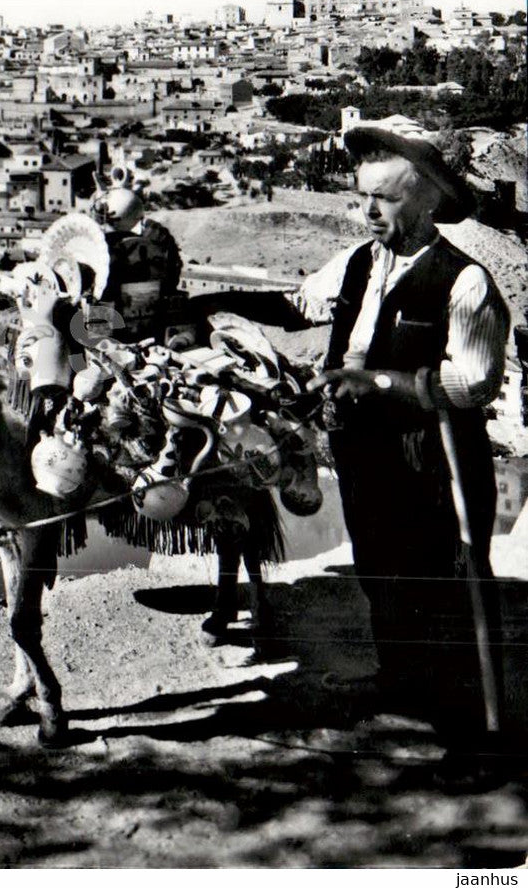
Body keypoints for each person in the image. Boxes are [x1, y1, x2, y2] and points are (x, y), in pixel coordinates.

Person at [195, 126, 509, 763]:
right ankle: (400, 686)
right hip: (367, 454)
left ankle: (467, 727)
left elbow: (475, 383)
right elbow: (301, 303)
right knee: (379, 569)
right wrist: (213, 301)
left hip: (433, 459)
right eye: (362, 197)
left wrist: (381, 381)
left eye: (384, 201)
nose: (367, 212)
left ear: (425, 202)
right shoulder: (361, 261)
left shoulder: (465, 282)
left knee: (441, 580)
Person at [92, 187, 185, 343]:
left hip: (106, 333)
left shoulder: (97, 249)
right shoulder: (158, 244)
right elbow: (172, 281)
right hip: (151, 331)